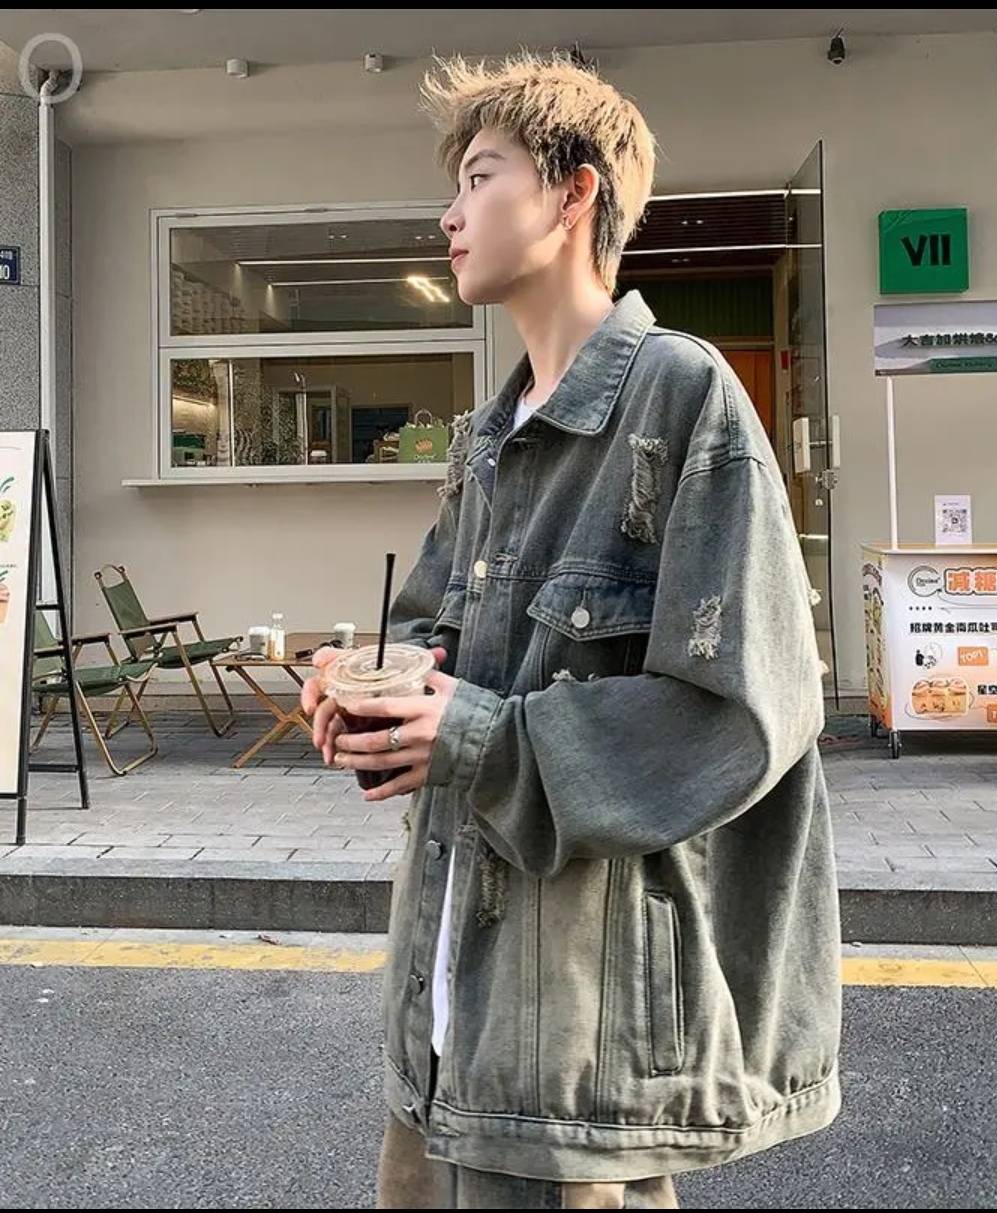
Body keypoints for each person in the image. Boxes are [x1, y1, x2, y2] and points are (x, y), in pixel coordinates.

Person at [301, 50, 842, 1210]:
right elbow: (432, 642)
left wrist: (477, 735)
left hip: (577, 1052)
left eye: (480, 176)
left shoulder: (681, 399)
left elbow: (742, 712)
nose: (449, 216)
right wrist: (365, 688)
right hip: (443, 1029)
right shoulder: (486, 440)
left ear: (573, 193)